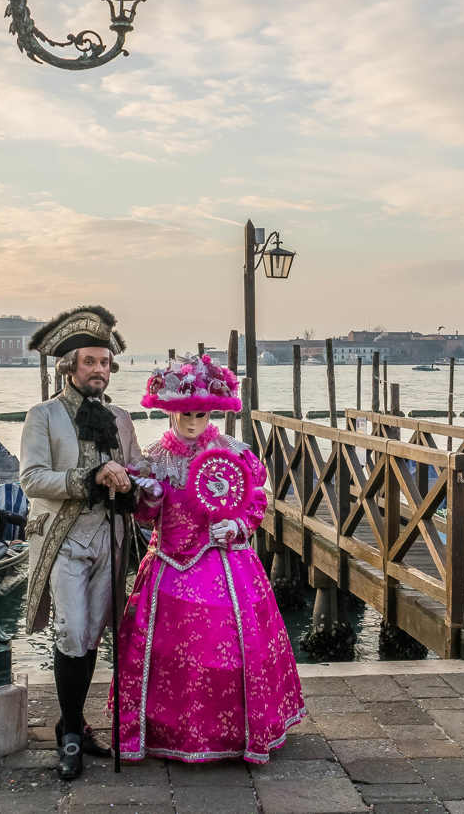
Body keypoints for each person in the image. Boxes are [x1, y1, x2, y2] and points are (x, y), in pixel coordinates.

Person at [113, 353, 306, 764]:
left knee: (229, 647)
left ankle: (236, 735)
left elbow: (255, 502)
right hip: (166, 564)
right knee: (168, 654)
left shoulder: (234, 452)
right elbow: (146, 516)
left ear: (211, 411)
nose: (191, 423)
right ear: (169, 412)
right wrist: (147, 498)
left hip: (224, 565)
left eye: (199, 414)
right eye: (183, 415)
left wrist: (236, 526)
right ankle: (161, 731)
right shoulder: (153, 458)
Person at [20, 305, 148, 781]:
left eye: (105, 362)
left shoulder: (120, 417)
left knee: (92, 630)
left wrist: (139, 479)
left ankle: (74, 723)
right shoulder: (44, 416)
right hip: (64, 538)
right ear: (68, 366)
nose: (100, 369)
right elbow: (33, 479)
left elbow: (138, 467)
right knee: (72, 631)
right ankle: (71, 732)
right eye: (91, 361)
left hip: (110, 537)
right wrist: (89, 475)